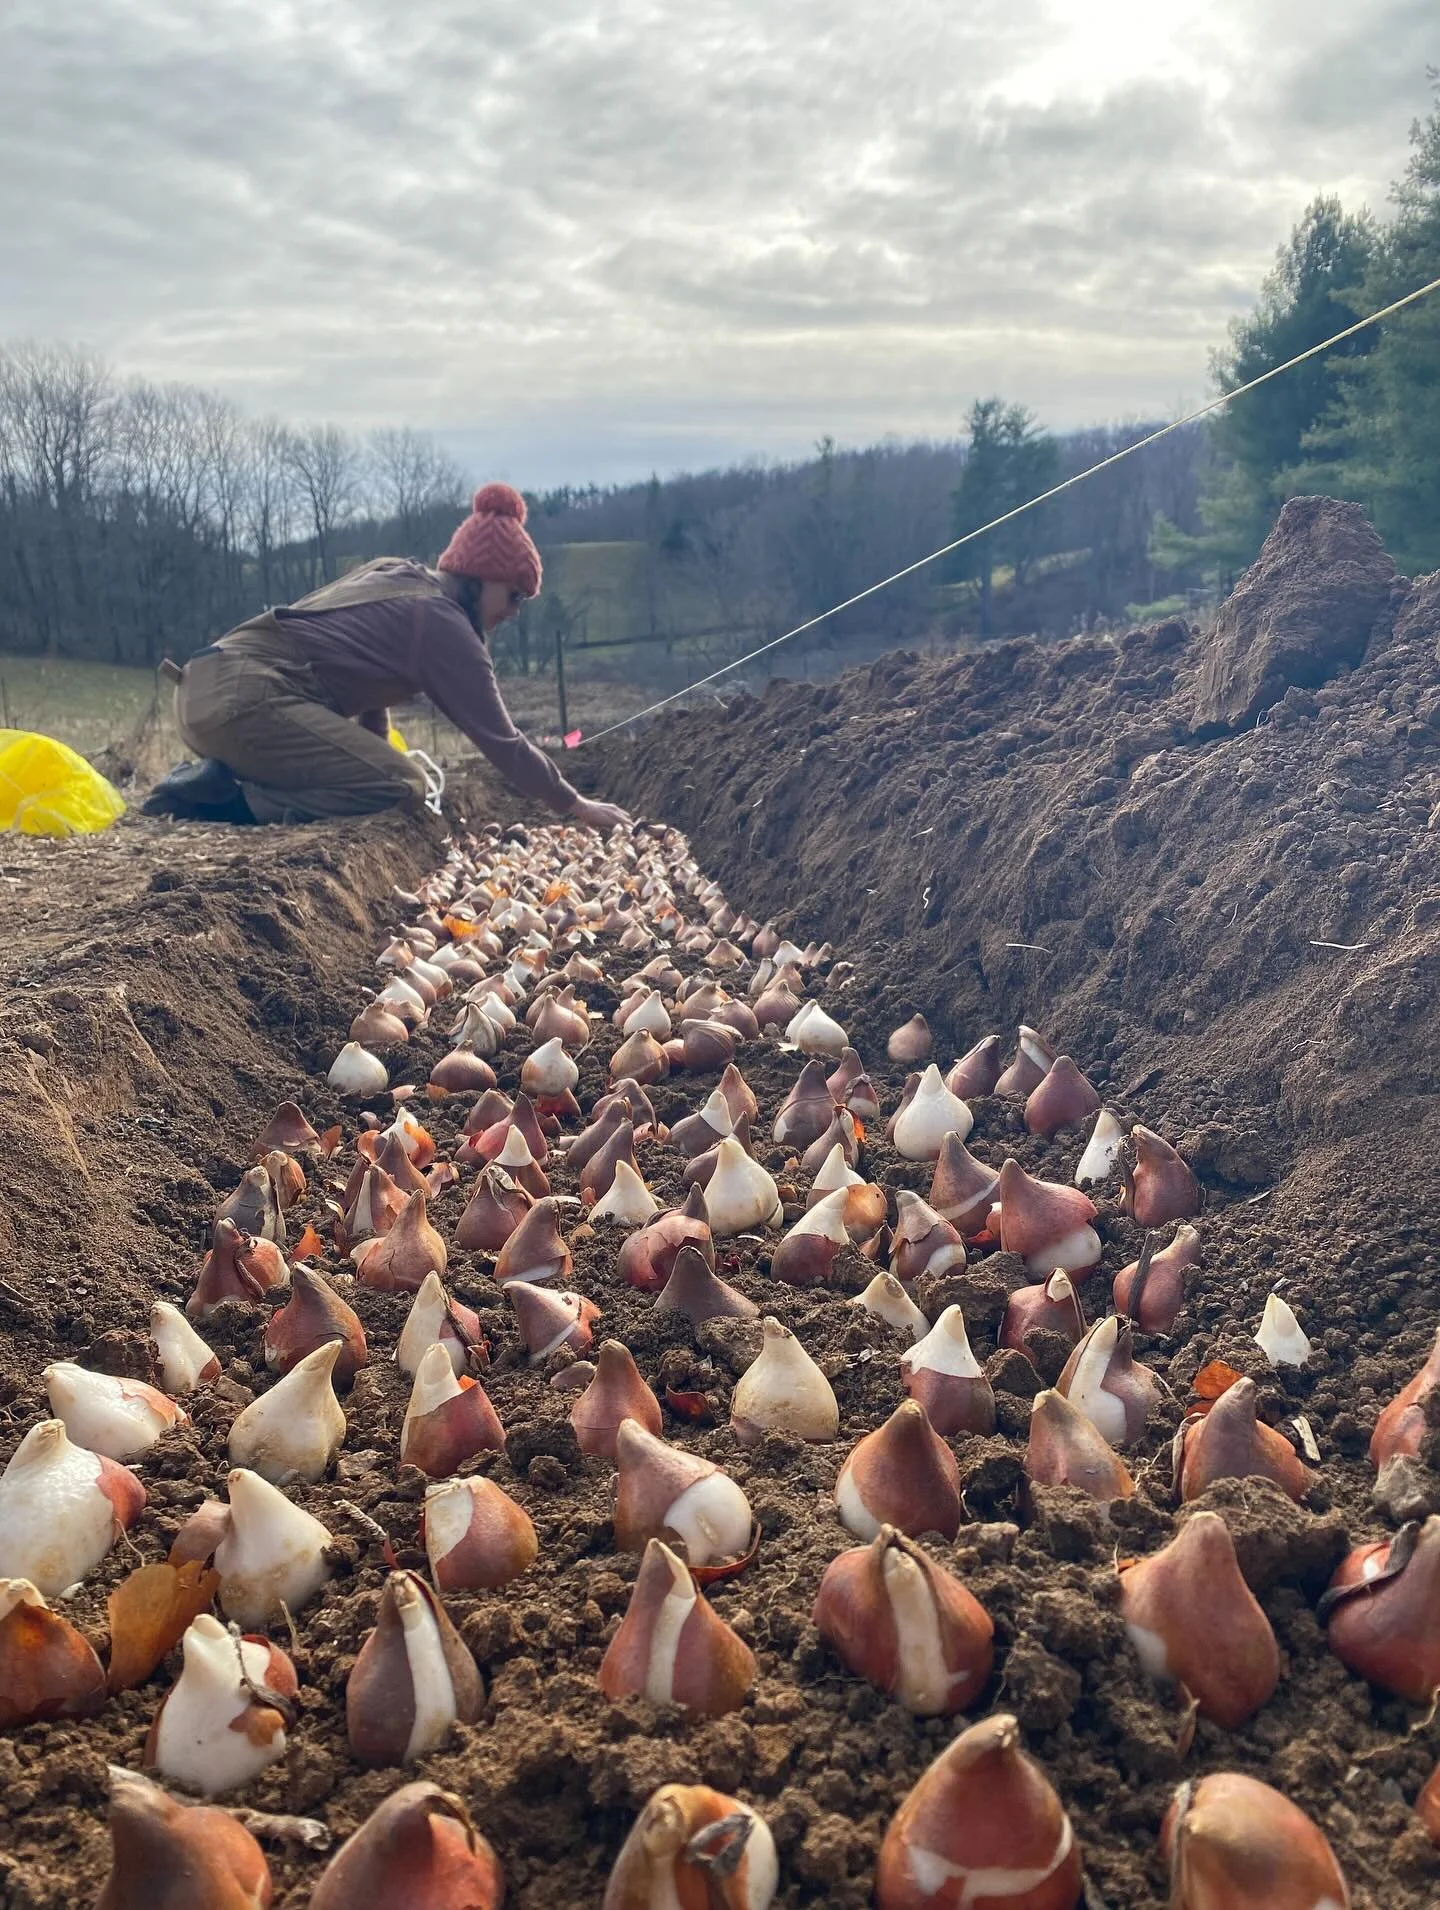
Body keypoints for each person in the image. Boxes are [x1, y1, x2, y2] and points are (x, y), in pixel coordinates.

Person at [144, 482, 631, 831]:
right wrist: (576, 805)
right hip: (247, 703)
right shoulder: (445, 628)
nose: (514, 612)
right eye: (514, 596)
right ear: (481, 577)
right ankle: (221, 799)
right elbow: (502, 741)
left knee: (387, 770)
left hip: (204, 692)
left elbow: (363, 675)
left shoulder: (398, 577)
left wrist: (371, 751)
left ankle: (217, 775)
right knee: (401, 786)